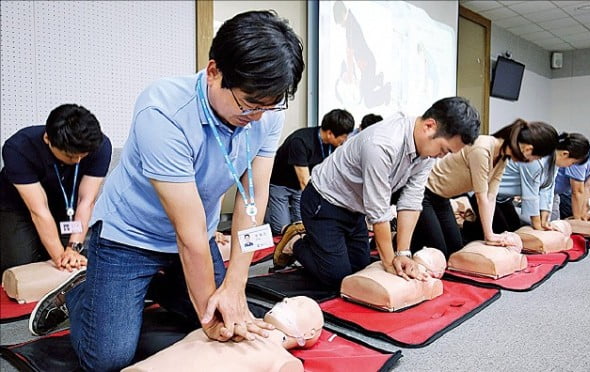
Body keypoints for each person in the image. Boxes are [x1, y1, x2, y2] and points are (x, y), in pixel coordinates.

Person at [29, 10, 304, 371]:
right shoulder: (164, 111)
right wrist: (212, 318)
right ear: (213, 71)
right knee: (108, 358)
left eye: (269, 105)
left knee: (229, 314)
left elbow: (252, 197)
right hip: (128, 238)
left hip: (195, 236)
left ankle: (151, 287)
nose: (258, 115)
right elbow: (186, 232)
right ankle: (83, 293)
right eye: (248, 103)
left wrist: (237, 284)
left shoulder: (266, 111)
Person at [274, 97, 480, 288]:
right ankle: (297, 242)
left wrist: (403, 253)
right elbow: (378, 210)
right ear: (429, 126)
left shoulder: (427, 153)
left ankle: (322, 246)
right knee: (337, 279)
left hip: (355, 208)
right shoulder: (383, 144)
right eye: (444, 150)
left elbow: (411, 200)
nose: (442, 157)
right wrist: (391, 265)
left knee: (361, 270)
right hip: (324, 202)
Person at [411, 119, 559, 257]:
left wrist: (491, 234)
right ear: (528, 149)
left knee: (455, 250)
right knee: (440, 252)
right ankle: (404, 239)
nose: (535, 161)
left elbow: (491, 196)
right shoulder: (482, 148)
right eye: (537, 157)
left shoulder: (502, 157)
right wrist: (489, 236)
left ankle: (416, 232)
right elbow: (481, 197)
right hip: (424, 193)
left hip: (442, 199)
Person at [0, 104, 111, 273]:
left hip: (66, 204)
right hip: (18, 206)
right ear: (47, 139)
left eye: (83, 155)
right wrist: (62, 259)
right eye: (71, 155)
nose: (78, 160)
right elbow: (38, 210)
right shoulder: (18, 148)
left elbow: (86, 201)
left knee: (82, 255)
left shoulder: (100, 146)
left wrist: (73, 249)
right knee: (19, 265)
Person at [123, 296, 323, 372]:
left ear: (310, 332)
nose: (287, 299)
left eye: (300, 304)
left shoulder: (283, 360)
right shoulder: (229, 324)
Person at [266, 109, 354, 234]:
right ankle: (268, 213)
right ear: (330, 133)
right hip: (281, 185)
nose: (345, 140)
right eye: (344, 137)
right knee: (282, 229)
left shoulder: (333, 145)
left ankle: (284, 213)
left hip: (301, 189)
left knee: (305, 226)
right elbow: (304, 182)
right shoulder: (301, 141)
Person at [494, 132, 590, 232]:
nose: (570, 166)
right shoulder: (536, 159)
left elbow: (547, 188)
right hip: (488, 194)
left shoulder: (554, 161)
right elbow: (530, 195)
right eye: (573, 163)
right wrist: (537, 225)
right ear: (565, 154)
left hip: (503, 199)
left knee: (514, 226)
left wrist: (544, 220)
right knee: (502, 230)